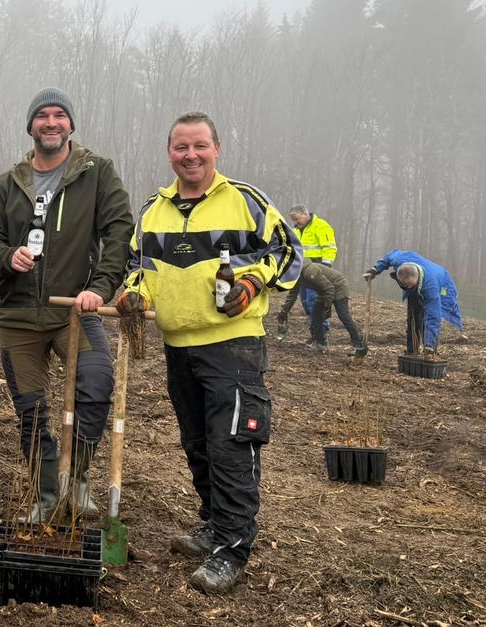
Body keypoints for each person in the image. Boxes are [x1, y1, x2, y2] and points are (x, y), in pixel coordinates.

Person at [119, 112, 302, 593]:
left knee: (232, 447)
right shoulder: (152, 210)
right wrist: (134, 293)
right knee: (197, 443)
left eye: (199, 145)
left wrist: (251, 281)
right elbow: (136, 266)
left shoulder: (244, 201)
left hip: (233, 347)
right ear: (169, 154)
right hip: (178, 347)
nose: (190, 155)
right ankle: (214, 524)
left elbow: (288, 252)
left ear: (216, 148)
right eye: (181, 147)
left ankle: (233, 548)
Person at [0, 87, 133, 523]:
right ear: (30, 126)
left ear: (71, 124)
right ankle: (47, 494)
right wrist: (8, 257)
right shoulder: (7, 184)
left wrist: (100, 288)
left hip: (75, 311)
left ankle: (77, 476)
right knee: (31, 411)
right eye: (42, 115)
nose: (51, 122)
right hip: (19, 315)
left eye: (59, 114)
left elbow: (119, 232)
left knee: (96, 383)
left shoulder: (97, 173)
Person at [363, 249, 463, 354]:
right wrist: (375, 269)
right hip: (420, 285)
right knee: (412, 318)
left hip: (442, 284)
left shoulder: (431, 288)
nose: (409, 287)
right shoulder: (399, 260)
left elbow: (434, 317)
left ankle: (430, 349)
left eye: (411, 284)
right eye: (406, 285)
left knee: (426, 319)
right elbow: (389, 257)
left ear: (417, 277)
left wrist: (429, 345)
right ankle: (412, 352)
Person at [276, 262, 367, 356]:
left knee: (343, 315)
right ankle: (321, 344)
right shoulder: (295, 276)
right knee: (316, 315)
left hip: (338, 286)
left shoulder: (309, 271)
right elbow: (292, 295)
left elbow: (329, 288)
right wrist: (284, 311)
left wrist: (327, 307)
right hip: (324, 290)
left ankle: (358, 344)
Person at [290, 204, 337, 332]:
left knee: (314, 302)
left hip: (316, 272)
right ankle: (314, 333)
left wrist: (324, 267)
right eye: (293, 220)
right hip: (301, 272)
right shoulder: (295, 230)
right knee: (306, 304)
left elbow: (330, 248)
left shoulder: (321, 226)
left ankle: (321, 333)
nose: (295, 222)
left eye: (297, 219)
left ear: (305, 214)